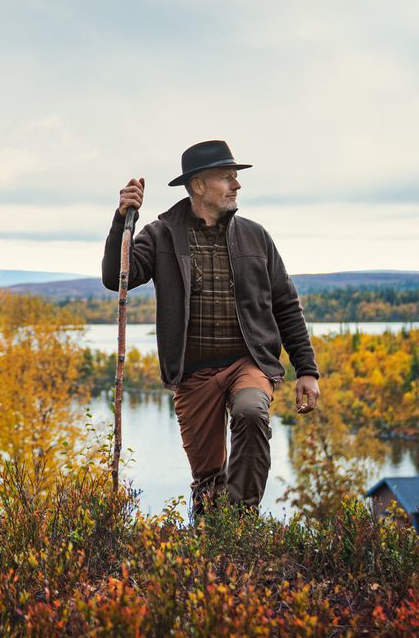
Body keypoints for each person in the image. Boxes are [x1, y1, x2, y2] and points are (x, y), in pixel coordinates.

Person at [102, 139, 320, 516]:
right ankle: (210, 541)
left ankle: (242, 520)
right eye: (227, 178)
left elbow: (286, 304)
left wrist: (307, 370)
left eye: (235, 178)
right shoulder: (160, 235)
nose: (236, 186)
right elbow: (116, 278)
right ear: (199, 186)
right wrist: (124, 218)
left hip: (247, 362)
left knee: (252, 412)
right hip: (192, 373)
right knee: (207, 479)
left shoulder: (256, 237)